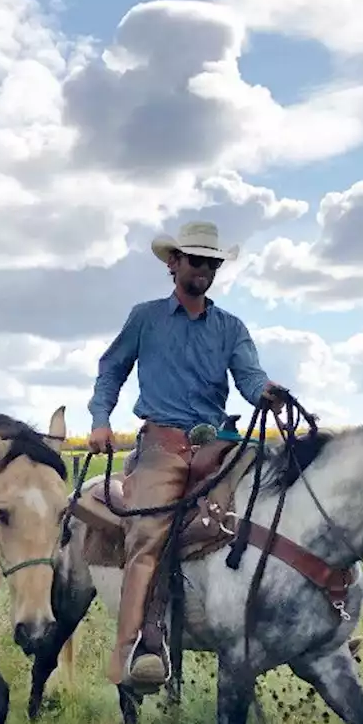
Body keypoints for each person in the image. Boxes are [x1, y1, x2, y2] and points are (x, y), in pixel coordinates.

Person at [87, 220, 288, 691]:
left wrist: (268, 394)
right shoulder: (146, 318)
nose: (205, 270)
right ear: (174, 264)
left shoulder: (230, 328)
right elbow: (110, 371)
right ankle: (134, 649)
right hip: (162, 445)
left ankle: (312, 624)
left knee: (281, 497)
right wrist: (100, 419)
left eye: (212, 263)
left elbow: (251, 380)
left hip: (218, 441)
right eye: (196, 260)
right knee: (149, 534)